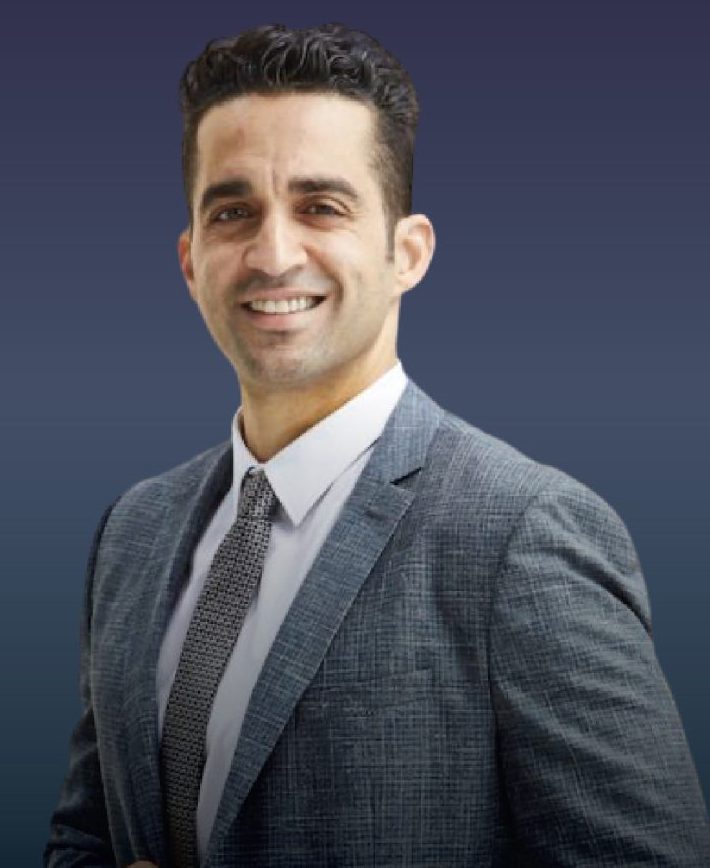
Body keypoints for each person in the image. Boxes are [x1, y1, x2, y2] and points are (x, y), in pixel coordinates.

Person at [45, 22, 709, 868]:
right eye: (232, 211)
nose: (273, 253)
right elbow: (84, 834)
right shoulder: (132, 532)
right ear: (190, 260)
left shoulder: (523, 536)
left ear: (408, 253)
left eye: (321, 207)